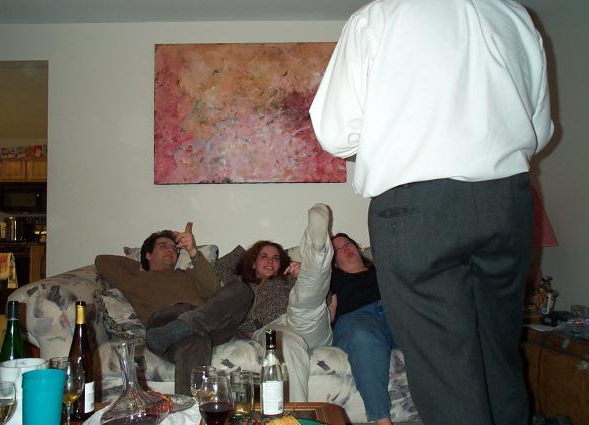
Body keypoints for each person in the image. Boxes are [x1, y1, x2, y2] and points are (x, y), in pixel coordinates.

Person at [309, 1, 553, 424]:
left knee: (446, 374)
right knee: (498, 356)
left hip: (416, 207)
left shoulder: (378, 17)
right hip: (506, 200)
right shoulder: (514, 15)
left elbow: (336, 133)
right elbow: (539, 129)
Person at [95, 223, 253, 395]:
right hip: (167, 321)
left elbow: (215, 291)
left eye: (174, 249)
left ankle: (183, 326)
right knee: (197, 342)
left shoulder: (188, 275)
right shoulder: (134, 279)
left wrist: (192, 251)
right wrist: (142, 266)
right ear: (148, 254)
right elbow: (102, 261)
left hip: (203, 323)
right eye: (163, 246)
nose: (171, 250)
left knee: (242, 289)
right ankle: (191, 408)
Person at [236, 203, 333, 402]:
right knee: (284, 342)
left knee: (305, 301)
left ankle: (316, 252)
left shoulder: (288, 279)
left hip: (305, 321)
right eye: (264, 257)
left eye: (276, 258)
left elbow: (326, 298)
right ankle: (296, 415)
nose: (270, 261)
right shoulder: (242, 286)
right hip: (273, 328)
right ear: (253, 263)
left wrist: (300, 274)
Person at [329, 233, 395, 425]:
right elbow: (330, 314)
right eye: (339, 249)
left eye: (348, 243)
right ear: (334, 263)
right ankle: (382, 420)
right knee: (363, 336)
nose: (346, 248)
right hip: (357, 318)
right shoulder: (334, 279)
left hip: (394, 314)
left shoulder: (381, 270)